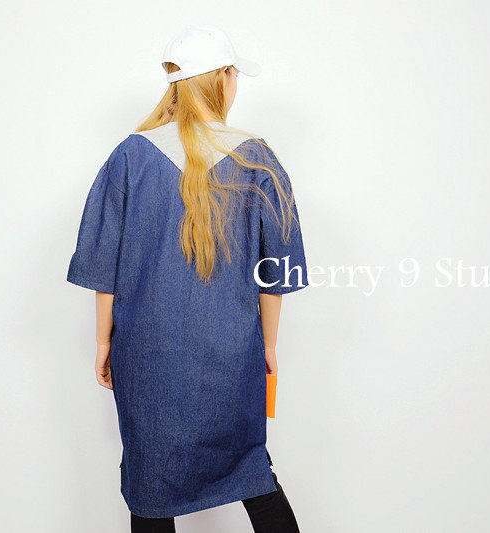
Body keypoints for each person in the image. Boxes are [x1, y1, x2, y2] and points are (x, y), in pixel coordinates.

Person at [67, 25, 306, 532]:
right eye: (233, 75)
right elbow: (276, 272)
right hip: (232, 353)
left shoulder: (131, 155)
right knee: (252, 471)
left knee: (150, 489)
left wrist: (103, 341)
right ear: (223, 78)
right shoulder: (255, 157)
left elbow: (104, 267)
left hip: (146, 354)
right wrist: (267, 346)